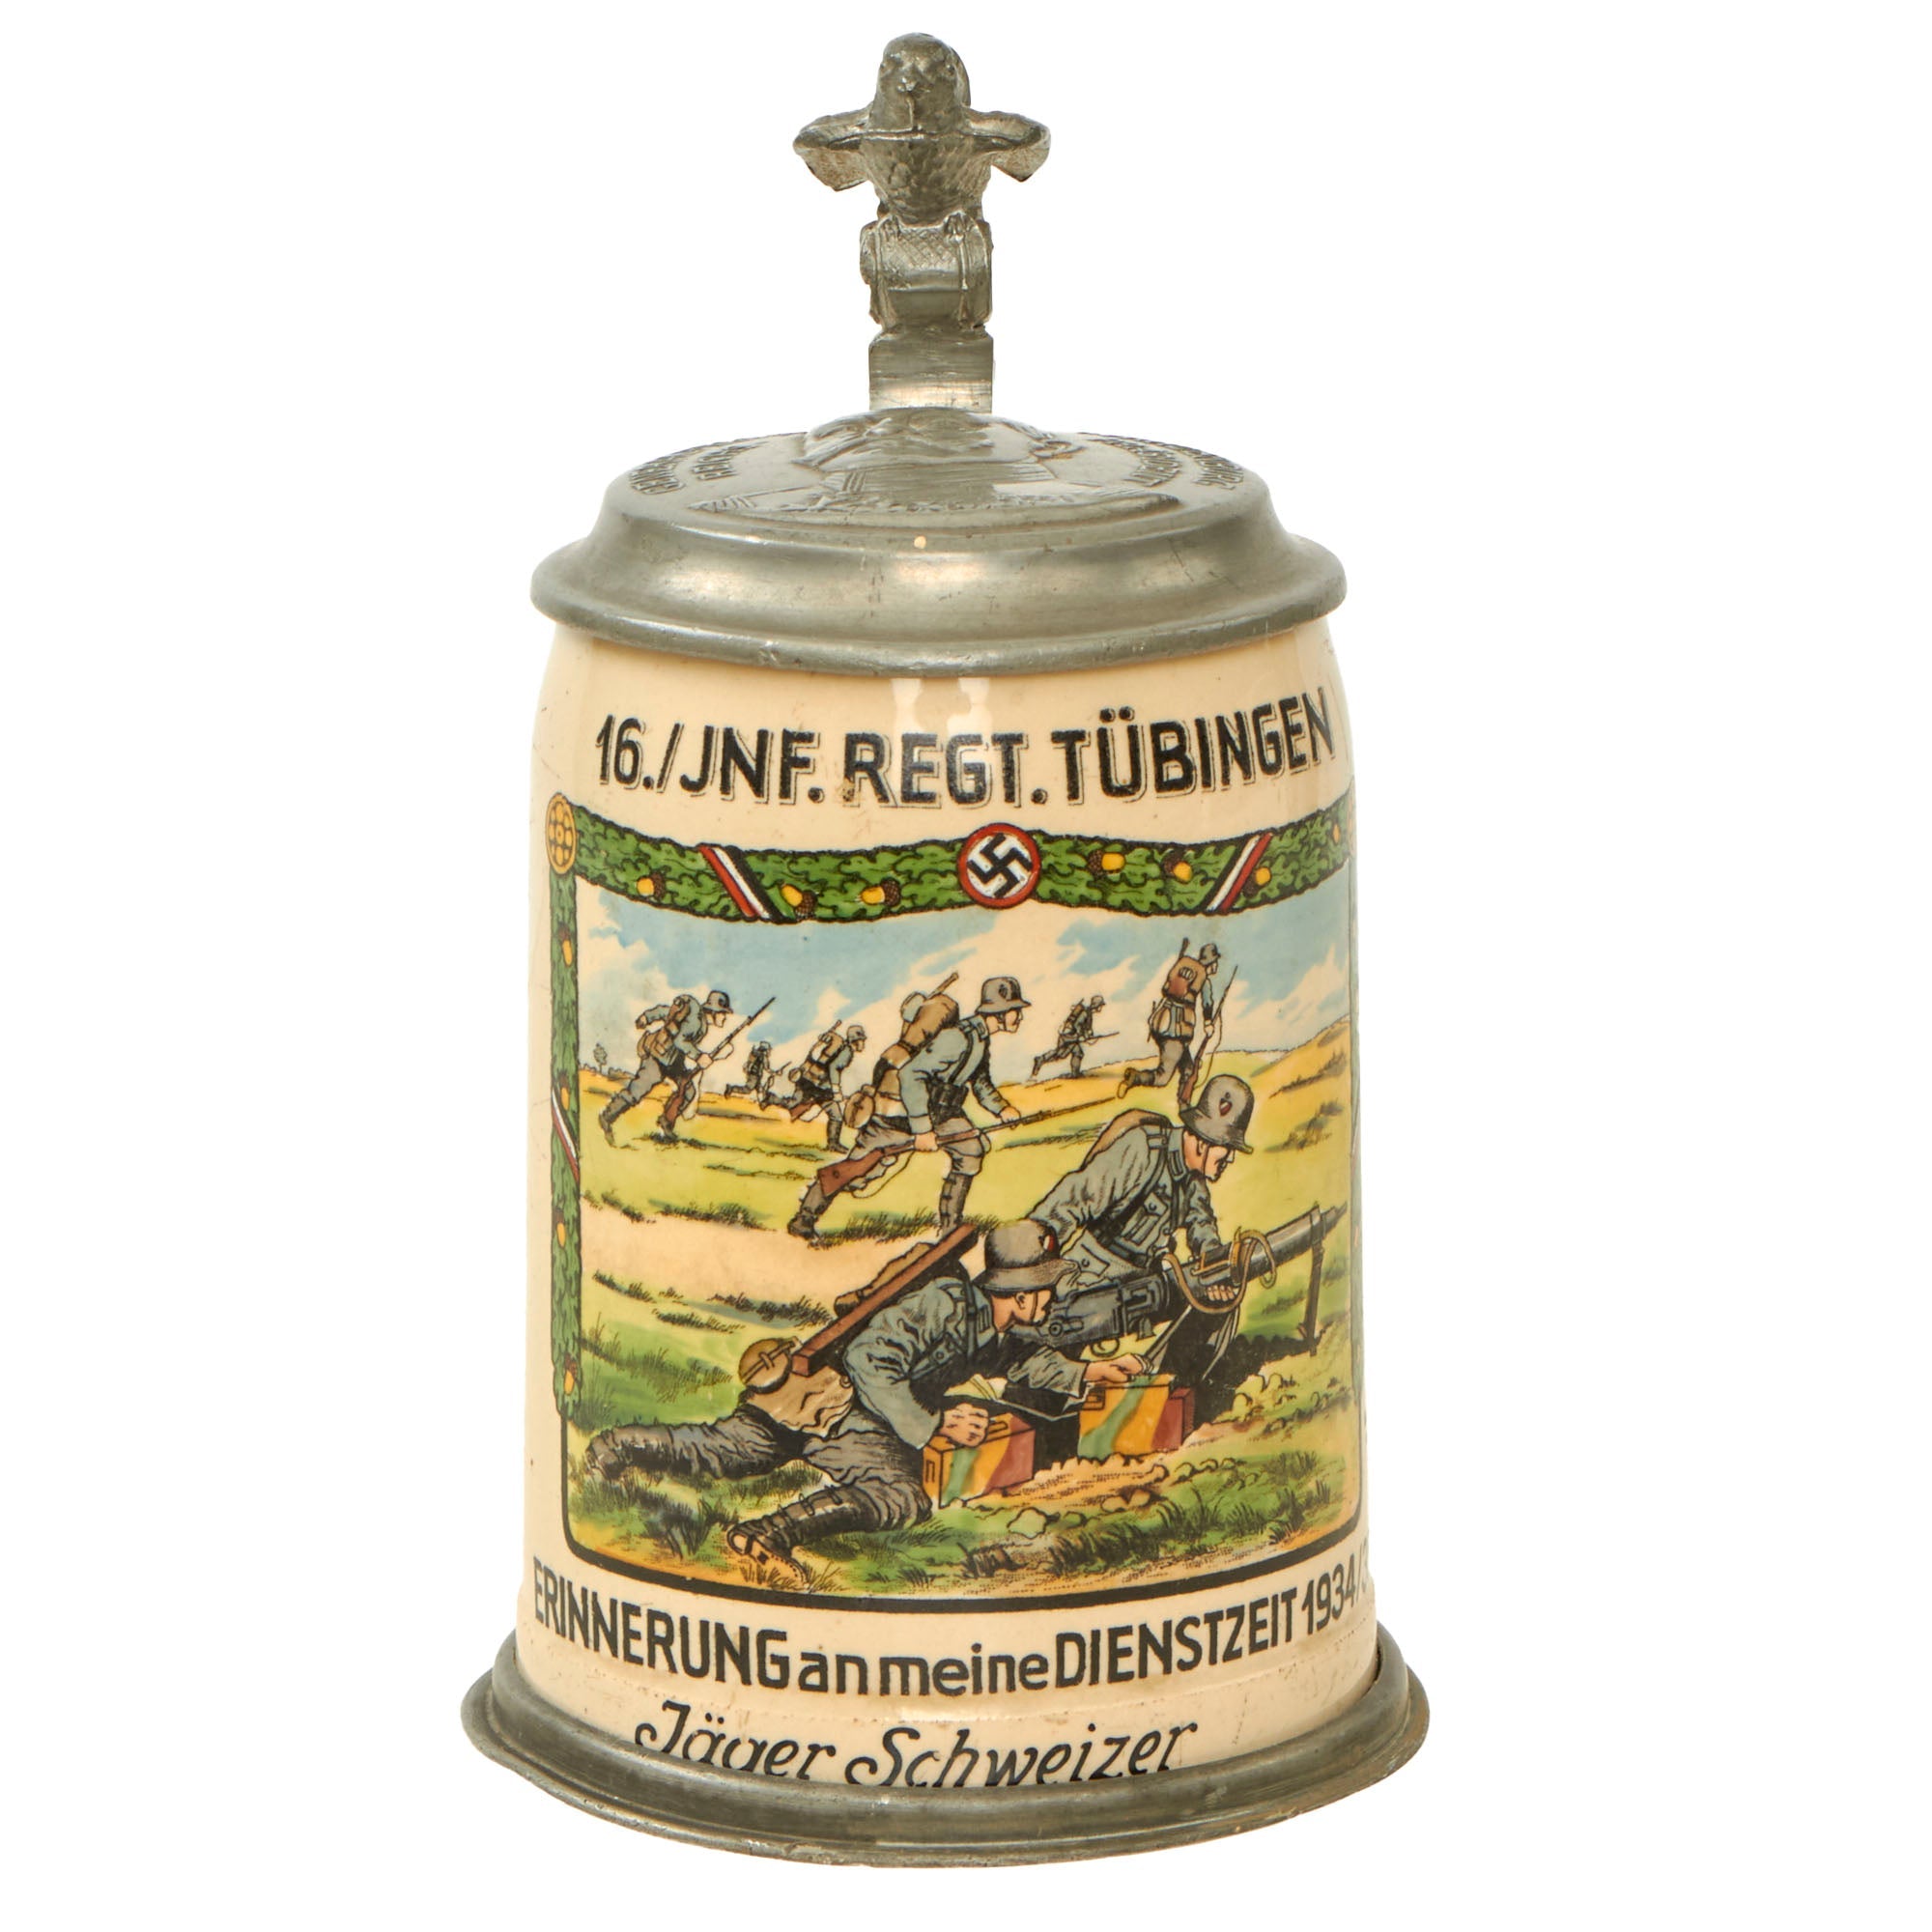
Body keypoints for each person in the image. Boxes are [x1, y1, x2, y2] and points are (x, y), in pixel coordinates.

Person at [582, 1222, 1140, 1559]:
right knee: (891, 1494)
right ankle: (620, 1450)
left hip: (837, 1405)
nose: (1050, 1298)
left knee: (729, 1451)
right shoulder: (944, 1303)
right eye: (1046, 1287)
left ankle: (759, 1531)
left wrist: (1088, 1374)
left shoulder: (990, 1326)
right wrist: (934, 1424)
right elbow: (867, 1359)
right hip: (834, 1402)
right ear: (1021, 1292)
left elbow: (1022, 1360)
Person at [1012, 1072, 1256, 1399]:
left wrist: (1216, 1270)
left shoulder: (1193, 1180)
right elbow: (1074, 1198)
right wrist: (1029, 1266)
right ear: (1202, 1140)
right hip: (1088, 1279)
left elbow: (1202, 1227)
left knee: (1215, 1302)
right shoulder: (1143, 1148)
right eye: (1226, 1148)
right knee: (1045, 1375)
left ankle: (1165, 1392)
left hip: (1141, 1284)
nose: (1230, 1158)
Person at [787, 976, 1029, 1241]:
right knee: (859, 1172)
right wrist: (922, 1129)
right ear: (998, 1012)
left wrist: (1002, 1108)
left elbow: (980, 1082)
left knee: (971, 1149)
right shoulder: (957, 1038)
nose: (1019, 1016)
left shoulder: (979, 1040)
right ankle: (804, 1219)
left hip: (941, 1113)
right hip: (900, 1115)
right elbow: (911, 1075)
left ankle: (950, 1229)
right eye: (1015, 1010)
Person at [598, 988, 732, 1145]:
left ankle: (666, 1124)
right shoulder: (696, 1022)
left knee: (688, 1090)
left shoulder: (697, 1020)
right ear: (714, 1011)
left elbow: (665, 1012)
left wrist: (647, 1017)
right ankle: (607, 1117)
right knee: (637, 1091)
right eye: (723, 1013)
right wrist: (698, 1056)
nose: (725, 1017)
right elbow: (679, 1041)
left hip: (673, 1062)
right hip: (658, 1058)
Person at [1119, 942, 1220, 1098]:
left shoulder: (1185, 967)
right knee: (1162, 1077)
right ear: (1211, 962)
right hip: (1176, 1031)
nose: (1217, 966)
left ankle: (1183, 1105)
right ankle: (1135, 1078)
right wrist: (1208, 1023)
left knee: (1188, 1070)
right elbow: (1207, 1003)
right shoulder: (1203, 979)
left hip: (1161, 1023)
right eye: (1216, 962)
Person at [788, 1023, 867, 1149]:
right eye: (861, 1040)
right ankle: (833, 1144)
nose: (863, 1044)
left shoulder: (842, 1048)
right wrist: (836, 1091)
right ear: (855, 1040)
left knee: (795, 1104)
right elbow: (833, 1068)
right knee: (835, 1115)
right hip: (820, 1087)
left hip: (811, 1082)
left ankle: (833, 1144)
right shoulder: (847, 1052)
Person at [1031, 993, 1106, 1080]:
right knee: (1060, 1054)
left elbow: (1086, 1028)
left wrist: (1089, 1035)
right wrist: (1080, 1035)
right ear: (1096, 1005)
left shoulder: (1089, 1014)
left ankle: (1075, 1074)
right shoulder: (1085, 1013)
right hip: (1068, 1037)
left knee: (1077, 1053)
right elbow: (1077, 1024)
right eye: (1101, 1005)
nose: (1101, 1007)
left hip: (1072, 1037)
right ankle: (1040, 1059)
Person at [723, 1039, 774, 1104]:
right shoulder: (763, 1057)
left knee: (760, 1090)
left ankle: (761, 1103)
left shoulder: (757, 1054)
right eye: (769, 1050)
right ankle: (731, 1088)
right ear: (765, 1050)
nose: (769, 1052)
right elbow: (767, 1069)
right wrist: (775, 1073)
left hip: (755, 1076)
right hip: (755, 1076)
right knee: (747, 1090)